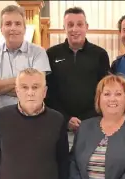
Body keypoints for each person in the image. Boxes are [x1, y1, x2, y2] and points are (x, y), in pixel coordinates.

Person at [0, 68, 69, 179]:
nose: (30, 93)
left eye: (35, 87)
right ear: (17, 91)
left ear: (44, 91)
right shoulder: (1, 116)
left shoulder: (57, 119)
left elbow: (63, 160)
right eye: (24, 87)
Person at [45, 7, 110, 138]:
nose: (74, 29)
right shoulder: (51, 54)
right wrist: (66, 119)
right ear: (64, 28)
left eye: (79, 24)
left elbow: (104, 91)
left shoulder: (100, 54)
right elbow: (49, 92)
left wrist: (86, 119)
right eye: (70, 25)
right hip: (59, 125)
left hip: (93, 124)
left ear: (86, 27)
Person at [0, 5, 51, 108]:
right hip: (1, 117)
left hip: (31, 117)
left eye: (18, 24)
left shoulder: (38, 53)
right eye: (8, 24)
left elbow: (37, 87)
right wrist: (24, 84)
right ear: (1, 29)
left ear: (24, 28)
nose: (13, 28)